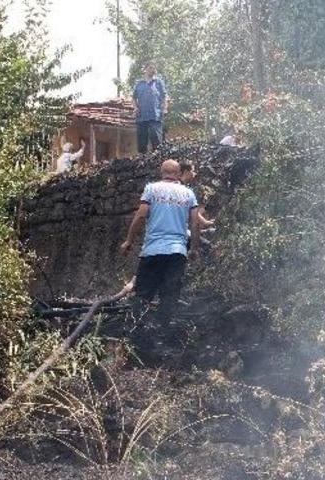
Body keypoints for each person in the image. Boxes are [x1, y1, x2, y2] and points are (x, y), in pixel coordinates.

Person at [120, 159, 200, 335]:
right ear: (178, 174)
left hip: (152, 251)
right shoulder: (188, 193)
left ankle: (135, 333)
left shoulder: (151, 189)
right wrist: (193, 248)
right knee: (170, 294)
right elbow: (194, 223)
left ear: (162, 172)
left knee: (142, 293)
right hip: (178, 252)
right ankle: (163, 335)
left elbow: (141, 216)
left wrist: (128, 241)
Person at [133, 62, 167, 154]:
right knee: (141, 141)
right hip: (141, 116)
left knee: (156, 140)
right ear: (145, 69)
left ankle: (157, 158)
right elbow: (134, 98)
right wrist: (135, 108)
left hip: (155, 115)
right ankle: (141, 160)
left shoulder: (158, 83)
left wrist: (164, 109)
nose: (153, 70)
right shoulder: (139, 84)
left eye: (154, 68)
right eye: (150, 68)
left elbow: (164, 97)